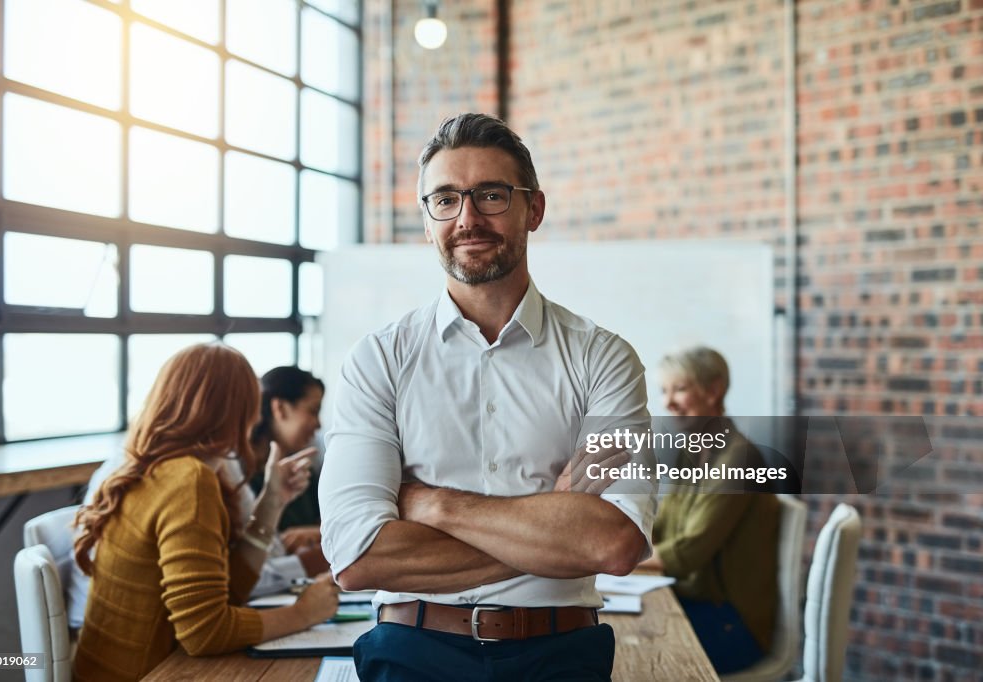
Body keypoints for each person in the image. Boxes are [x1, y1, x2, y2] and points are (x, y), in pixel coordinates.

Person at [319, 113, 657, 681]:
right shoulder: (378, 361)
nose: (468, 218)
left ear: (535, 209)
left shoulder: (604, 358)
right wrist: (553, 523)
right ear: (428, 221)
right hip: (412, 651)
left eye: (491, 195)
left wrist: (432, 504)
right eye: (446, 199)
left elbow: (615, 543)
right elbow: (357, 558)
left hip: (560, 656)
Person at [71, 343, 338, 682]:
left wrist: (272, 501)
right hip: (149, 673)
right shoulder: (189, 480)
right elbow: (203, 632)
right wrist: (302, 614)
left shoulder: (161, 466)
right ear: (236, 410)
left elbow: (228, 593)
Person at [640, 346, 781, 674]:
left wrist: (608, 559)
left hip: (731, 625)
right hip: (697, 606)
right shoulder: (693, 453)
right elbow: (660, 526)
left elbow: (688, 553)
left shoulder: (738, 458)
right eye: (664, 391)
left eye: (680, 389)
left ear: (714, 390)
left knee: (624, 650)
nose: (667, 402)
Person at [248, 366, 329, 574]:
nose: (318, 424)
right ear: (280, 409)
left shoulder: (305, 472)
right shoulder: (242, 477)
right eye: (313, 411)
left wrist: (317, 533)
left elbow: (329, 520)